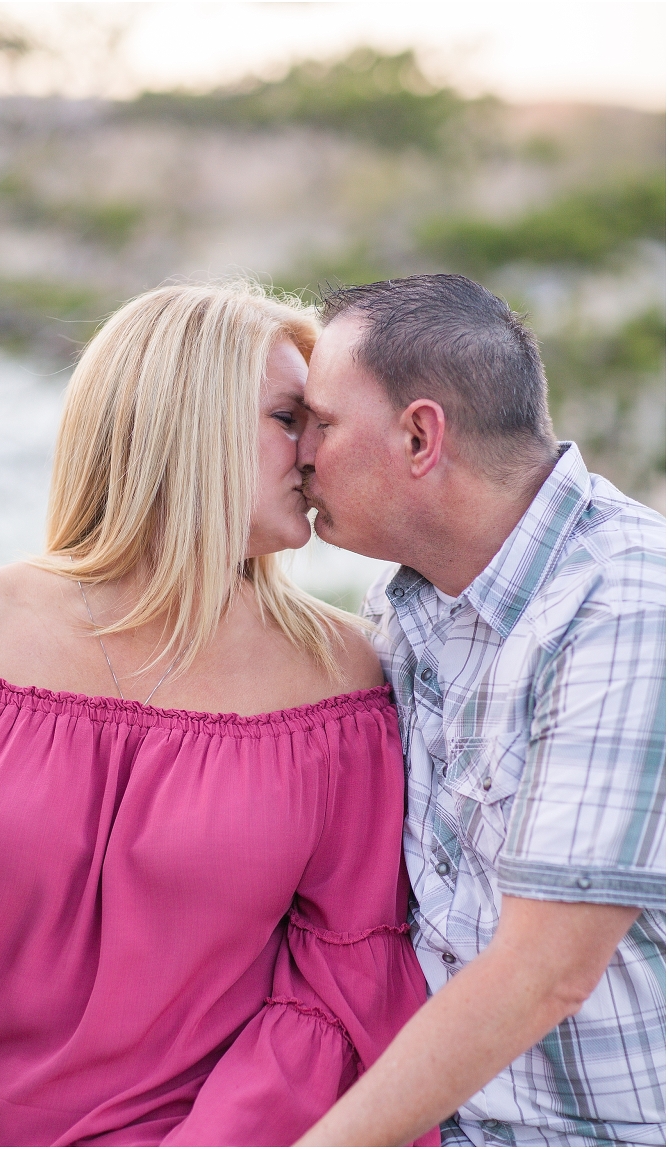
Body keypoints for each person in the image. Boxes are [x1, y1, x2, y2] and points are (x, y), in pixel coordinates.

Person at [0, 282, 439, 1148]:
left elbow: (337, 990)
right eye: (291, 416)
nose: (318, 455)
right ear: (188, 423)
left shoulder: (341, 681)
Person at [294, 274, 665, 1147]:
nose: (301, 452)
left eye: (322, 422)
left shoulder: (627, 606)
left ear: (421, 435)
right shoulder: (411, 601)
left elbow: (544, 974)